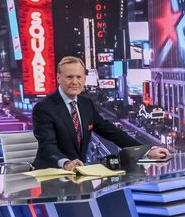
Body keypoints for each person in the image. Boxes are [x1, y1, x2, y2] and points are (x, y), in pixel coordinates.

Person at [32, 55, 170, 170]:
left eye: (79, 77)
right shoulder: (44, 108)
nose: (75, 82)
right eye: (69, 77)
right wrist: (65, 163)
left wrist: (147, 150)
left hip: (77, 173)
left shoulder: (86, 104)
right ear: (58, 78)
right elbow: (47, 145)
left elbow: (112, 132)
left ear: (84, 79)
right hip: (50, 175)